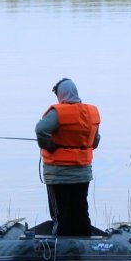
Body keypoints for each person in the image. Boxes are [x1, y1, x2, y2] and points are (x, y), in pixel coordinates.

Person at [35, 78, 100, 236]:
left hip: (58, 174)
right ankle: (84, 250)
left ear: (61, 94)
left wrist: (49, 145)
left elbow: (41, 130)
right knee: (81, 212)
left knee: (61, 215)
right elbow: (95, 141)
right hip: (82, 173)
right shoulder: (91, 113)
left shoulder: (58, 113)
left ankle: (62, 252)